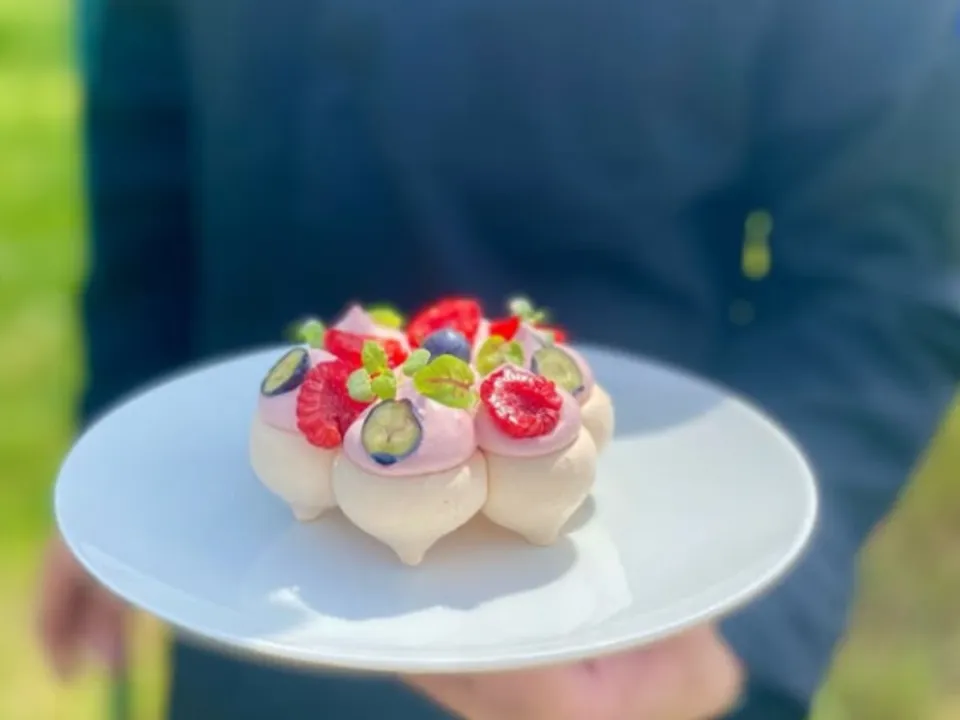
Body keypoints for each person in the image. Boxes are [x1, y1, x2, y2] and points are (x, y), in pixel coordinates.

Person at [35, 0, 960, 717]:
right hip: (256, 596)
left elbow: (883, 274)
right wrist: (123, 456)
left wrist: (751, 626)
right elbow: (149, 135)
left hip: (617, 630)